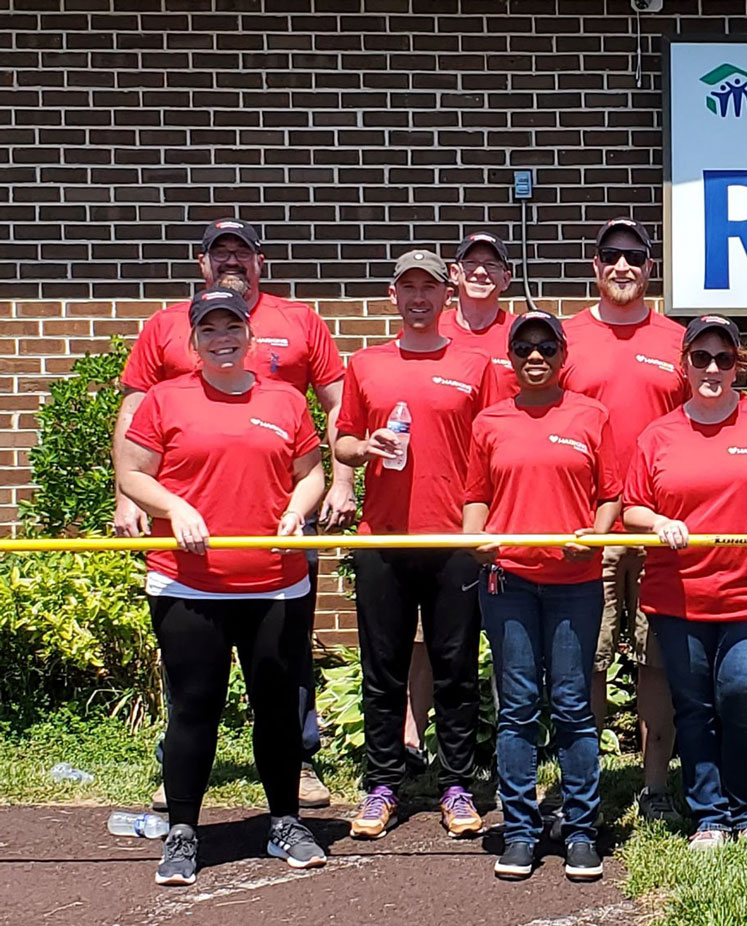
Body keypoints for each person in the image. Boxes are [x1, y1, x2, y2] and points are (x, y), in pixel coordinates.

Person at [114, 217, 349, 812]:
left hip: (275, 535)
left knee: (282, 670)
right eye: (220, 254)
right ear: (201, 265)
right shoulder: (164, 334)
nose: (232, 262)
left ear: (259, 262)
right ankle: (184, 781)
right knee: (194, 683)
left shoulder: (296, 330)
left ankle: (295, 770)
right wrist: (131, 497)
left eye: (242, 252)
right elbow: (137, 419)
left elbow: (335, 409)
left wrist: (326, 491)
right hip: (190, 551)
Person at [622, 315, 747, 849]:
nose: (712, 368)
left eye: (723, 359)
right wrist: (659, 523)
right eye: (700, 358)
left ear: (738, 366)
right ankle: (709, 815)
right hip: (679, 594)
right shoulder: (657, 434)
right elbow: (633, 507)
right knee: (695, 706)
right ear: (683, 364)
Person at [335, 248, 502, 840]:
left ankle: (457, 785)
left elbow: (494, 445)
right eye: (408, 287)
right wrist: (365, 448)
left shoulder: (477, 365)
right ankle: (382, 785)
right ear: (393, 297)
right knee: (383, 669)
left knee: (456, 666)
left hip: (455, 535)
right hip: (382, 537)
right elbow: (344, 443)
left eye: (429, 288)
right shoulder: (366, 364)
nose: (419, 298)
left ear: (446, 296)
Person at [462, 310, 620, 882]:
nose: (535, 356)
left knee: (575, 708)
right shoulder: (489, 421)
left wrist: (598, 537)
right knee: (518, 708)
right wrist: (476, 539)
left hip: (574, 584)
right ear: (510, 356)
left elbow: (611, 494)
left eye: (546, 347)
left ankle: (581, 831)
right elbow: (476, 495)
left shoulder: (591, 415)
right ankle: (522, 831)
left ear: (562, 355)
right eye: (524, 346)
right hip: (509, 584)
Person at [560, 218, 687, 822]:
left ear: (650, 267)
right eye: (611, 255)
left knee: (656, 657)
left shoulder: (678, 340)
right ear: (595, 264)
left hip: (662, 525)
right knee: (589, 655)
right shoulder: (564, 338)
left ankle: (655, 784)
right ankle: (585, 783)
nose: (623, 266)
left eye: (635, 256)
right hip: (592, 525)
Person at [442, 230, 517, 394]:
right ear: (454, 274)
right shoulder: (432, 330)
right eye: (471, 263)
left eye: (491, 264)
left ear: (506, 279)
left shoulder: (520, 333)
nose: (480, 272)